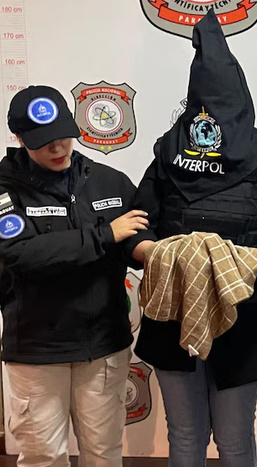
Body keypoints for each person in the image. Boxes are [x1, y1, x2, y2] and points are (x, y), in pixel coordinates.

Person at [129, 10, 257, 467]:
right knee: (185, 435)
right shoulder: (166, 158)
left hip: (243, 322)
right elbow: (136, 229)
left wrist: (222, 265)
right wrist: (161, 253)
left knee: (234, 438)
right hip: (171, 320)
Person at [0, 85, 148, 466]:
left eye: (63, 135)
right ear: (19, 139)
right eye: (44, 141)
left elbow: (138, 237)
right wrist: (104, 235)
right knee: (43, 457)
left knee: (103, 455)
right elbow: (19, 253)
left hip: (103, 345)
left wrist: (151, 249)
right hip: (36, 351)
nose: (58, 148)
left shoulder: (109, 181)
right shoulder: (4, 188)